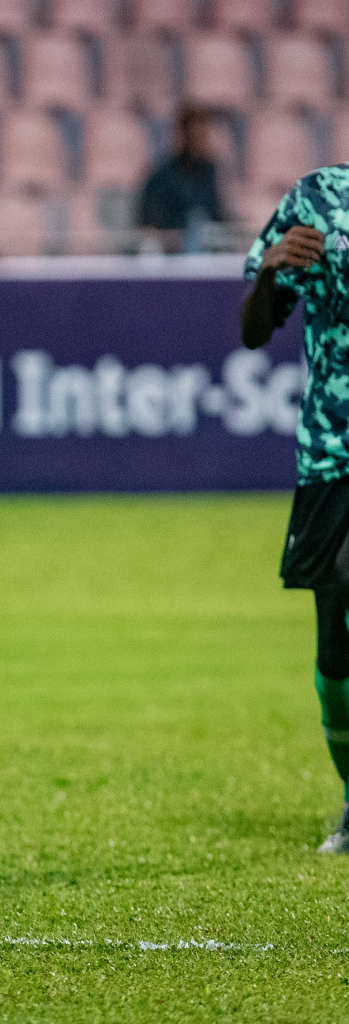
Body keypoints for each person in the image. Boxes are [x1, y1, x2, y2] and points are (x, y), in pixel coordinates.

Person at [241, 163, 349, 852]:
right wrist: (272, 271)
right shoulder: (319, 198)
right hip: (331, 452)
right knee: (335, 633)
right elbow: (255, 331)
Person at [139, 106, 228, 254]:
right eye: (194, 133)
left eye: (203, 133)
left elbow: (217, 216)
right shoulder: (162, 177)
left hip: (207, 258)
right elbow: (152, 223)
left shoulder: (209, 172)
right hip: (172, 260)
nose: (199, 139)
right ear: (183, 135)